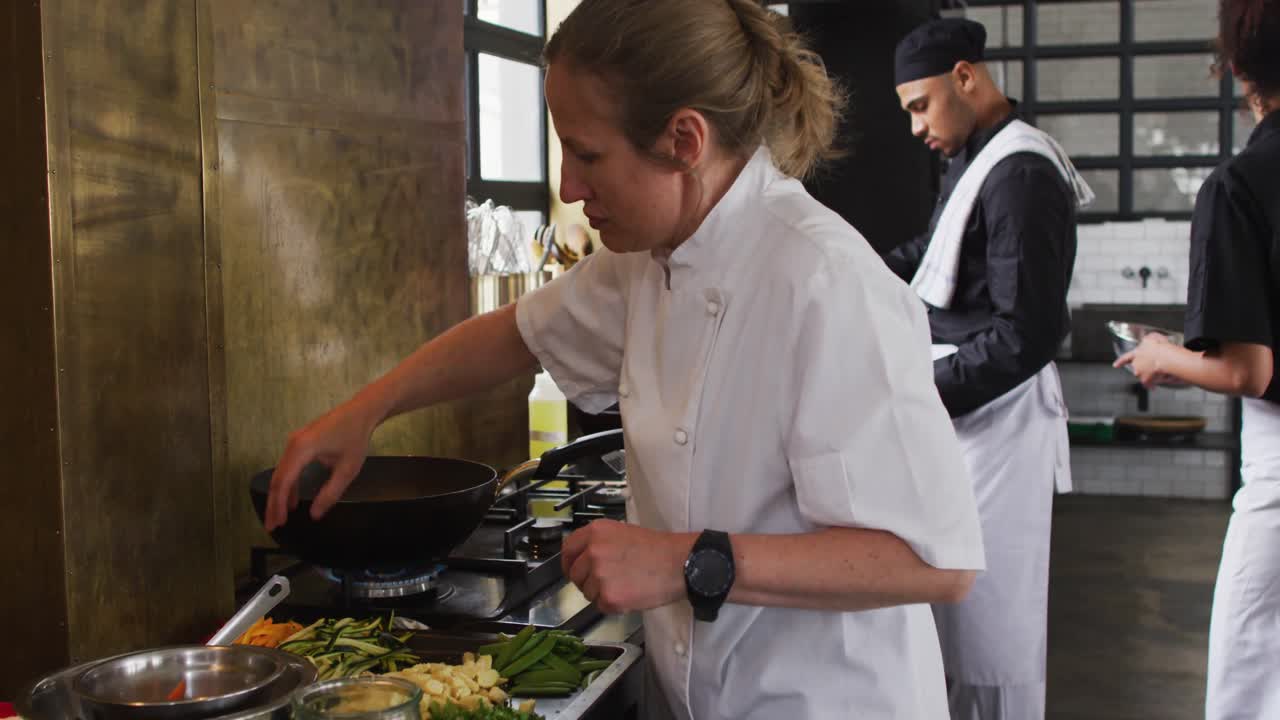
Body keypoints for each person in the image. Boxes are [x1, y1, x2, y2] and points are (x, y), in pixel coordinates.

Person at [264, 2, 985, 718]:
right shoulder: (648, 257)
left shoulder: (825, 282)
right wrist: (366, 411)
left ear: (684, 139)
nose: (570, 188)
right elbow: (519, 332)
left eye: (586, 154)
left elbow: (935, 562)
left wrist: (684, 560)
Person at [882, 17, 1094, 720]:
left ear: (966, 78)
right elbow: (934, 247)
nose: (916, 126)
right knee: (958, 622)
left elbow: (1026, 335)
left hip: (999, 424)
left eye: (921, 104)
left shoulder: (1022, 174)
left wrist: (919, 392)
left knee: (993, 631)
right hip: (968, 420)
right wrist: (851, 273)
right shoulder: (976, 156)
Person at [1116, 2, 1279, 716]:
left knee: (1249, 677)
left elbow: (1249, 372)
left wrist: (1162, 354)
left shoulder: (1238, 187)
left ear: (1237, 65)